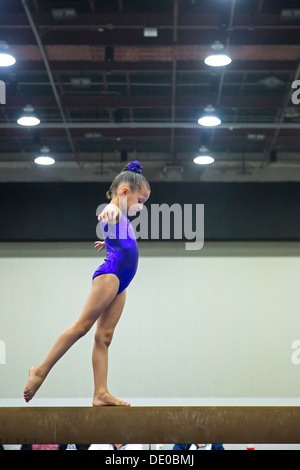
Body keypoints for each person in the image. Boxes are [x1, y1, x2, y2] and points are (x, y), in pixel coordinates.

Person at [23, 161, 151, 406]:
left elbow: (117, 236)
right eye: (141, 200)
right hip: (111, 275)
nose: (141, 206)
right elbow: (109, 215)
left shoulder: (121, 216)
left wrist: (109, 241)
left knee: (105, 337)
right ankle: (40, 370)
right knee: (82, 326)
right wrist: (110, 215)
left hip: (121, 282)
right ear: (124, 192)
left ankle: (100, 393)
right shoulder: (113, 209)